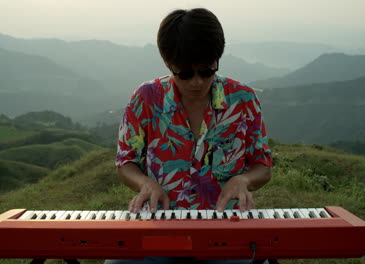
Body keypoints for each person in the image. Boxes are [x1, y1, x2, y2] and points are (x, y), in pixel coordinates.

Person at [108, 8, 273, 264]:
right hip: (158, 226)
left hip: (227, 228)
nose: (196, 82)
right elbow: (125, 162)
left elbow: (263, 165)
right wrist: (145, 183)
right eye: (184, 73)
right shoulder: (146, 98)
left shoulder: (243, 99)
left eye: (207, 71)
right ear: (167, 62)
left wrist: (244, 180)